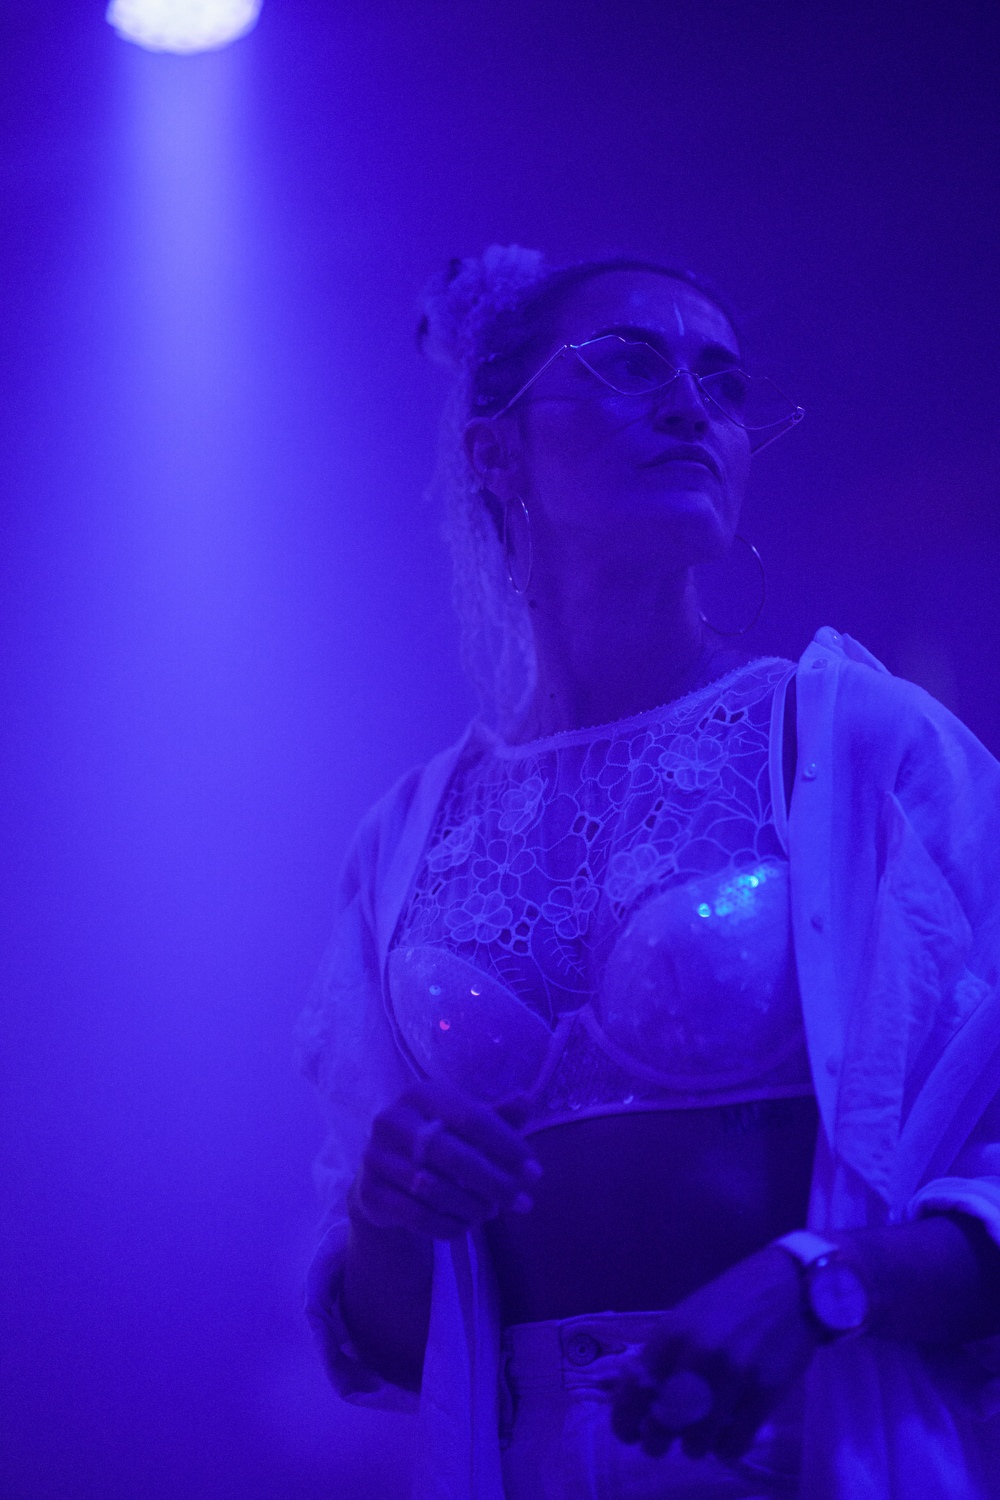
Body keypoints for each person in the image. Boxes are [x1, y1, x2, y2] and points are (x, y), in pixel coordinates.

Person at [297, 245, 1000, 1498]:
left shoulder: (858, 747)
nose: (690, 405)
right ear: (495, 451)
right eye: (629, 364)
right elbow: (399, 1351)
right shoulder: (403, 838)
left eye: (721, 384)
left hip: (807, 1445)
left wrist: (823, 1283)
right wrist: (386, 1210)